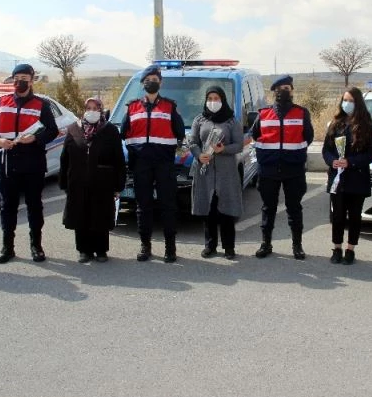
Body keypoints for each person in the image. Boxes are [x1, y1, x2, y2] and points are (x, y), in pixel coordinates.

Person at [0, 64, 58, 264]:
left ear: (32, 80)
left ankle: (36, 246)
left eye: (24, 77)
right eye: (17, 77)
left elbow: (52, 131)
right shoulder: (2, 102)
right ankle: (7, 247)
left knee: (34, 207)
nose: (20, 81)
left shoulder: (41, 104)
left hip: (32, 163)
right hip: (7, 163)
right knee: (8, 207)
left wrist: (35, 139)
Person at [121, 64, 186, 263]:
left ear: (161, 82)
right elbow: (123, 134)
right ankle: (145, 246)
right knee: (143, 207)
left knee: (168, 206)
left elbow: (180, 133)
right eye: (148, 79)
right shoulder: (132, 107)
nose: (152, 82)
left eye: (156, 79)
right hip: (141, 164)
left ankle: (170, 248)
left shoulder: (169, 106)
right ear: (143, 83)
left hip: (164, 164)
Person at [251, 74, 314, 260]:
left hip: (293, 169)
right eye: (279, 89)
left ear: (292, 91)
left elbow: (308, 136)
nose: (283, 92)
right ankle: (266, 244)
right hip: (269, 169)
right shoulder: (263, 114)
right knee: (267, 208)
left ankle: (297, 246)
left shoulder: (302, 113)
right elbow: (256, 135)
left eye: (287, 88)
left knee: (294, 208)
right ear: (274, 93)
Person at [59, 97, 126, 263]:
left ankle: (101, 250)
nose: (92, 111)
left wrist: (118, 185)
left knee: (100, 215)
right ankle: (84, 250)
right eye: (89, 107)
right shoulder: (73, 129)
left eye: (96, 108)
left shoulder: (110, 130)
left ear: (101, 110)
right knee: (80, 215)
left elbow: (118, 159)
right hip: (78, 181)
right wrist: (64, 182)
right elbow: (65, 158)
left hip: (103, 182)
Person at [322, 87, 372, 265]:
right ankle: (336, 248)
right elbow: (326, 150)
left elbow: (371, 153)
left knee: (354, 217)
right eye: (345, 100)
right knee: (337, 216)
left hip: (357, 179)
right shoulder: (335, 124)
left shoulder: (366, 125)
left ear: (358, 103)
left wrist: (351, 162)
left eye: (351, 101)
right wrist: (332, 161)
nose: (347, 104)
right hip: (337, 179)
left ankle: (350, 249)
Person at [189, 86, 243, 260]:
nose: (213, 101)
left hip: (226, 173)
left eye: (216, 98)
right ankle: (210, 246)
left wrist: (224, 149)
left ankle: (229, 247)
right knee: (209, 210)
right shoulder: (199, 119)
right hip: (205, 171)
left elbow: (239, 145)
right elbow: (193, 141)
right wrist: (199, 155)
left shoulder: (231, 121)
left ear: (223, 100)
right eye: (210, 98)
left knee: (226, 210)